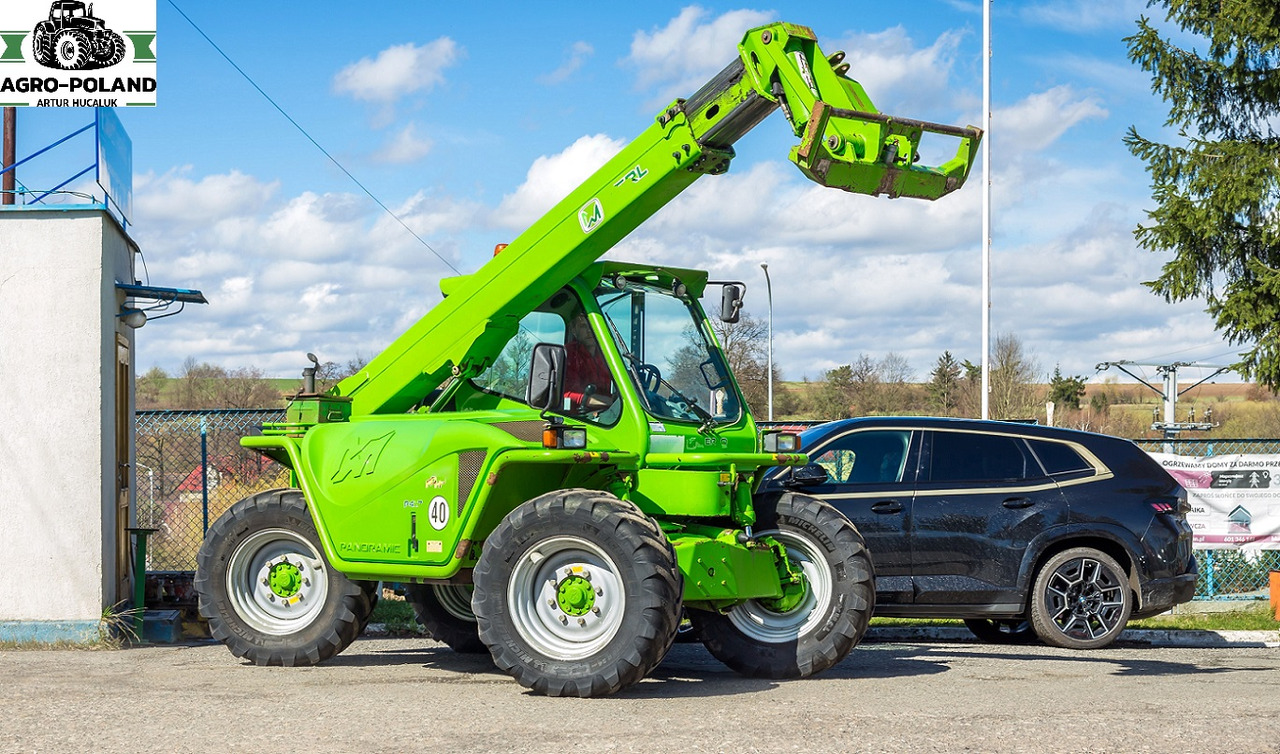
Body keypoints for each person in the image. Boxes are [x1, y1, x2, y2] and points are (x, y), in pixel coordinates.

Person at [563, 311, 614, 413]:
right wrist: (605, 401)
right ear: (574, 330)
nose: (589, 331)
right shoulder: (568, 354)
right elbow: (565, 394)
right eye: (583, 326)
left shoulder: (607, 355)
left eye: (592, 325)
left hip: (605, 412)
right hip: (578, 417)